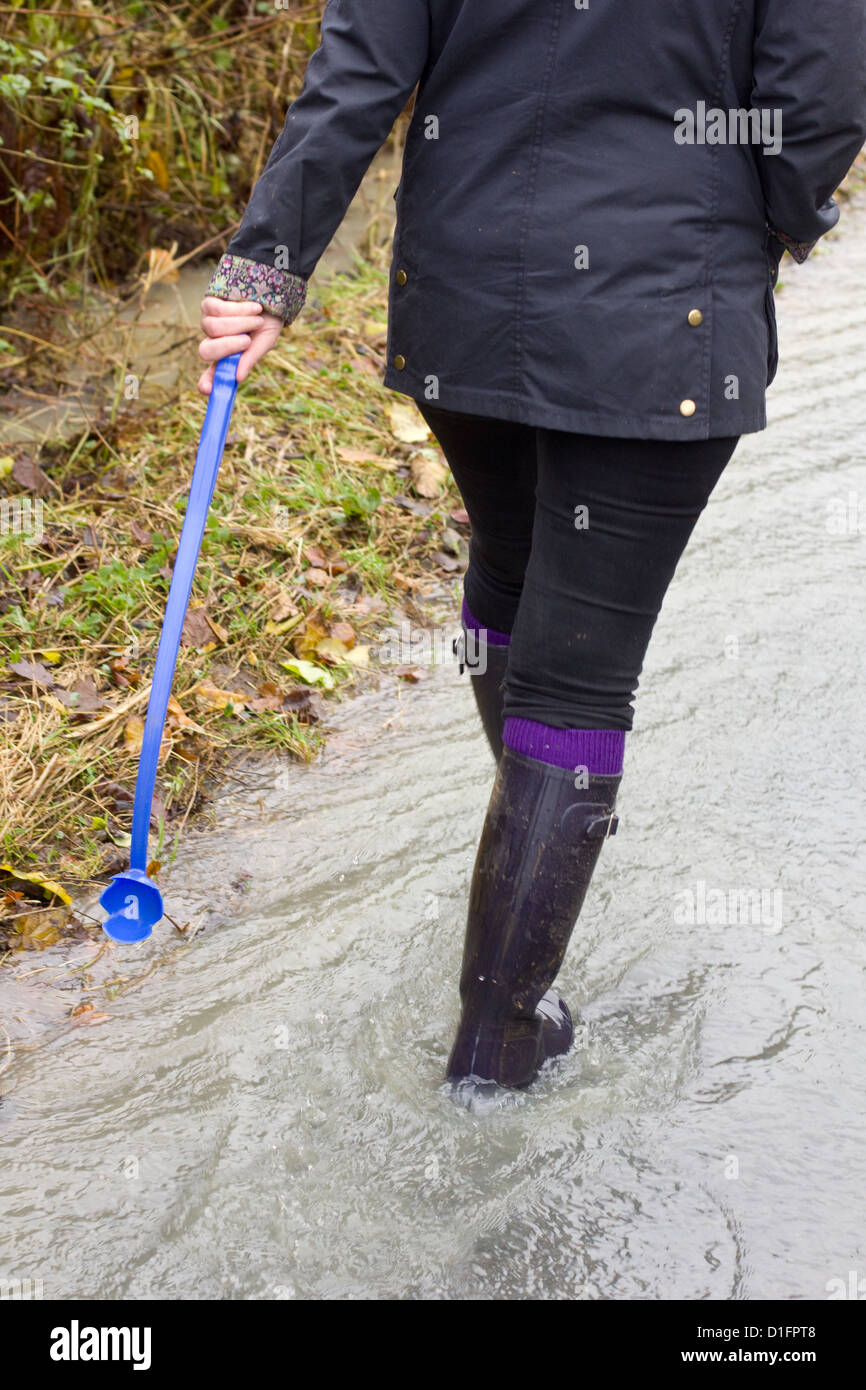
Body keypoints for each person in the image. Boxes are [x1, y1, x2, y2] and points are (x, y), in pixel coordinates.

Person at [198, 1, 866, 1090]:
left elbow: (359, 70)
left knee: (509, 574)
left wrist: (265, 269)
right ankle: (498, 1036)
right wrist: (775, 222)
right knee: (578, 678)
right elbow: (815, 103)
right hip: (661, 312)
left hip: (463, 293)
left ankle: (536, 840)